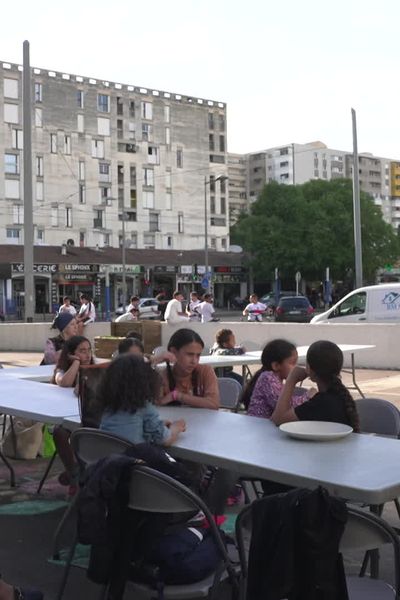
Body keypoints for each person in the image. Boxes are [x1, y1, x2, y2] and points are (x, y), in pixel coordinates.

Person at [271, 340, 360, 431]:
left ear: (310, 369)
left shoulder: (321, 403)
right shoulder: (338, 396)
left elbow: (278, 419)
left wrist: (291, 380)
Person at [99, 354, 186, 446]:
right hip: (132, 457)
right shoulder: (143, 406)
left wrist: (159, 425)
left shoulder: (109, 407)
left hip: (109, 456)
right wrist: (176, 428)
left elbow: (129, 427)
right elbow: (165, 439)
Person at [52, 336, 95, 489]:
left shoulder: (96, 371)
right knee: (59, 431)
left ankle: (74, 475)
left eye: (89, 350)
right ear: (71, 354)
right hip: (70, 418)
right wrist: (76, 363)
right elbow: (64, 382)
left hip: (93, 420)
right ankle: (75, 473)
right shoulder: (62, 370)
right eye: (82, 351)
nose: (87, 355)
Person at [244, 339, 312, 416]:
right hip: (258, 425)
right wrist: (307, 397)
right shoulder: (267, 378)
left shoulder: (277, 381)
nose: (296, 367)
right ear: (276, 366)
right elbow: (284, 407)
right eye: (292, 363)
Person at [158, 328, 219, 409]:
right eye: (190, 354)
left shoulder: (205, 371)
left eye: (198, 355)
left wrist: (177, 396)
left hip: (201, 421)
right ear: (173, 352)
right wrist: (155, 360)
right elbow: (155, 405)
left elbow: (213, 404)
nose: (194, 361)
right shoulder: (162, 376)